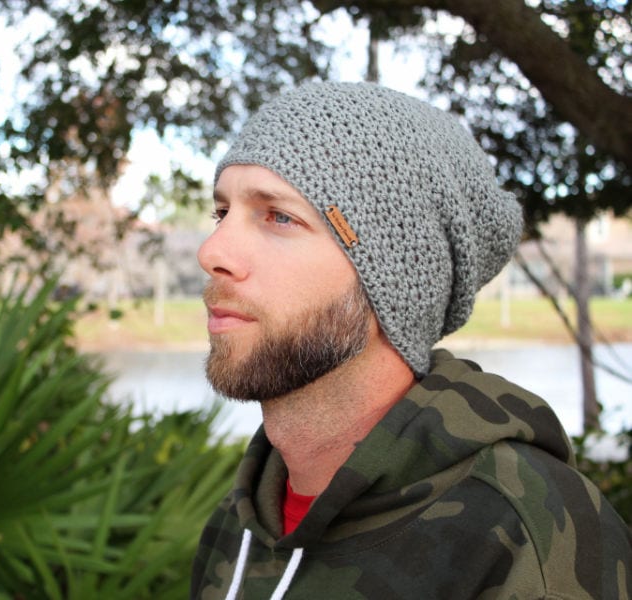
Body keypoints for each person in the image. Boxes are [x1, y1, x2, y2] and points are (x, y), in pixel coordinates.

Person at [190, 81, 632, 599]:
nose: (212, 251)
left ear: (393, 277)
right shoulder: (238, 523)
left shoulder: (520, 537)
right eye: (222, 213)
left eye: (280, 216)